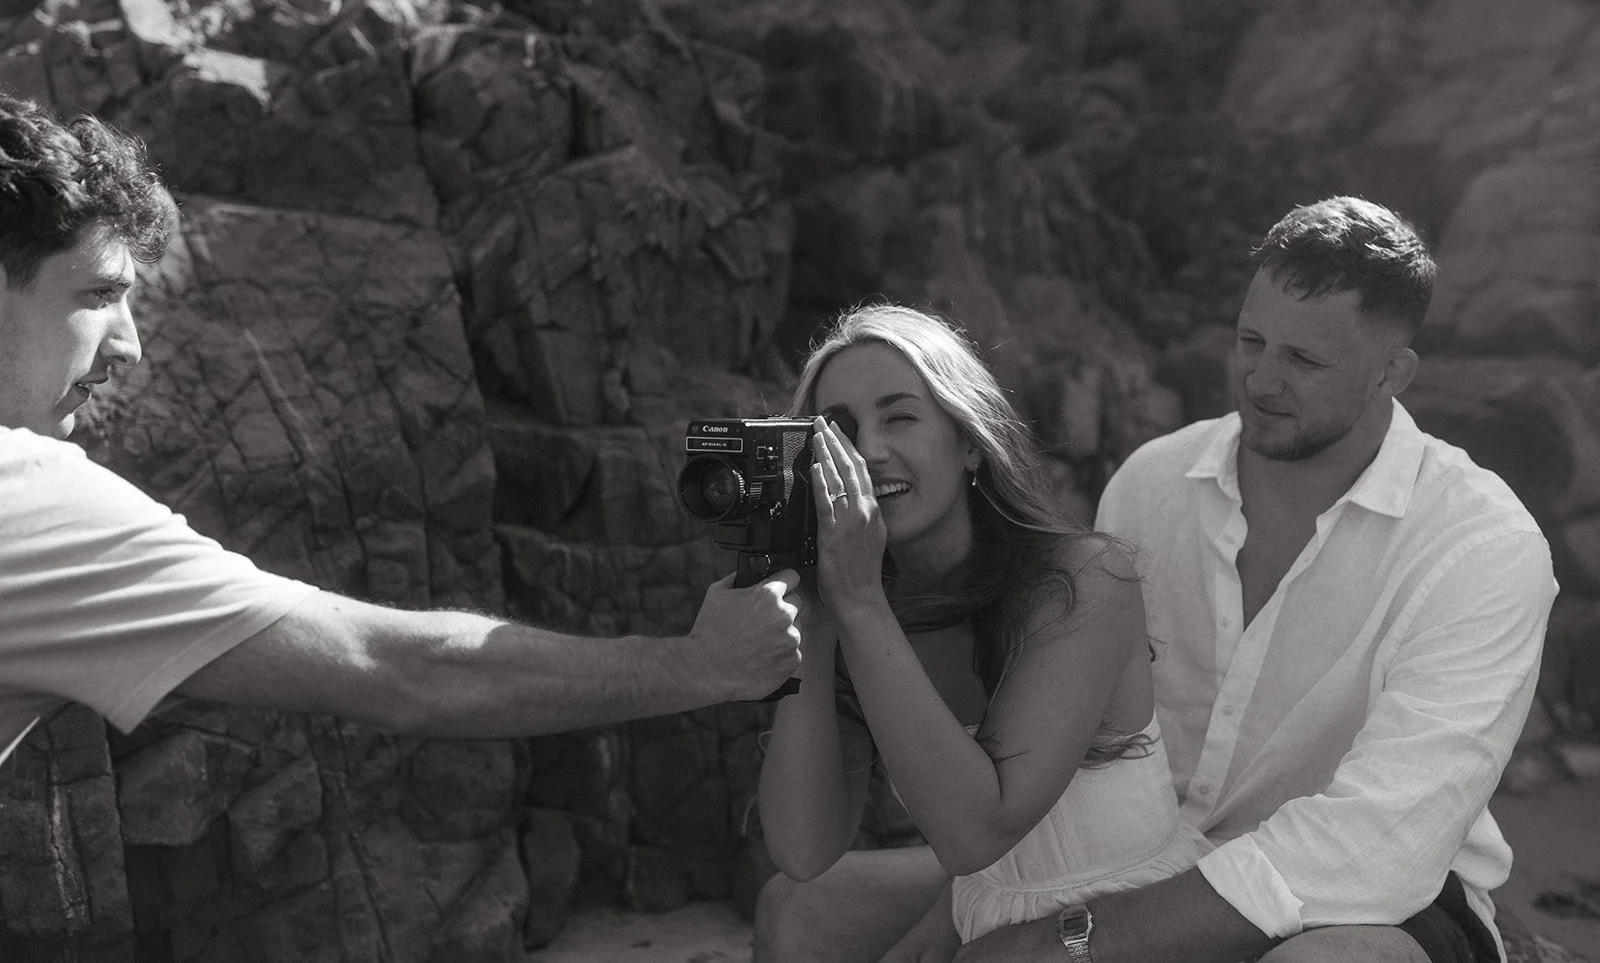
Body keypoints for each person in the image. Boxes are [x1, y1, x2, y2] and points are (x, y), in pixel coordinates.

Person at [0, 91, 803, 770]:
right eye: (98, 295)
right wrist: (700, 667)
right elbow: (399, 672)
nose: (132, 344)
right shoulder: (27, 500)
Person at [952, 197, 1557, 962]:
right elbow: (1078, 736)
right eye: (1250, 340)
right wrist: (970, 900)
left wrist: (1072, 939)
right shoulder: (1152, 481)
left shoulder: (1483, 546)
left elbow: (1375, 842)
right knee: (815, 904)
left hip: (1371, 903)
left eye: (1303, 359)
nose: (1261, 379)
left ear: (1391, 374)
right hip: (1138, 859)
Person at [754, 304, 1211, 962]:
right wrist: (818, 621)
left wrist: (858, 604)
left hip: (1132, 918)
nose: (870, 449)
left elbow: (976, 830)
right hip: (985, 909)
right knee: (792, 911)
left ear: (969, 439)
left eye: (900, 416)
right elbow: (803, 846)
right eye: (842, 430)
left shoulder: (1083, 578)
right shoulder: (866, 611)